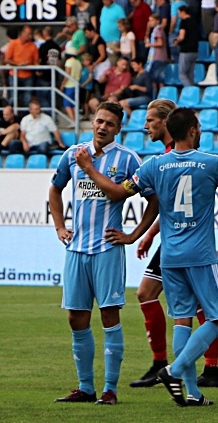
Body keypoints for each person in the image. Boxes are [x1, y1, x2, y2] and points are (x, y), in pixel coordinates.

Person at [104, 107, 218, 406]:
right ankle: (174, 371)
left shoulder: (154, 165)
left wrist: (90, 171)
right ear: (192, 130)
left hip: (170, 256)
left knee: (181, 320)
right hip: (201, 254)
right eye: (199, 126)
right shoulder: (210, 163)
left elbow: (123, 190)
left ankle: (192, 394)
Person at [48, 102, 152, 406]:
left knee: (109, 315)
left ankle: (109, 389)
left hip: (108, 248)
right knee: (75, 317)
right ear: (92, 123)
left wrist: (133, 235)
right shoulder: (73, 154)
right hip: (76, 249)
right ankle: (85, 387)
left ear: (118, 129)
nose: (102, 126)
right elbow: (55, 189)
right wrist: (59, 227)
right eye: (99, 121)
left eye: (109, 123)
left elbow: (153, 200)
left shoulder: (128, 160)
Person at [4, 25, 40, 107]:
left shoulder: (33, 46)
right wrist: (18, 64)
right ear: (23, 33)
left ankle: (25, 117)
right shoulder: (13, 44)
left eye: (31, 34)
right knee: (13, 98)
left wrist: (38, 69)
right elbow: (6, 59)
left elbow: (36, 61)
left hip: (28, 76)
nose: (30, 36)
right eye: (28, 34)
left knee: (27, 98)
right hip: (14, 75)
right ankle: (12, 117)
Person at [175, 6, 199, 87]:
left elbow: (182, 36)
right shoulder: (195, 21)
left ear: (183, 12)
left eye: (179, 13)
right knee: (190, 74)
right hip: (194, 50)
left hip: (186, 50)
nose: (178, 15)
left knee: (182, 74)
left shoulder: (184, 22)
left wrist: (176, 41)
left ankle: (191, 90)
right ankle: (193, 92)